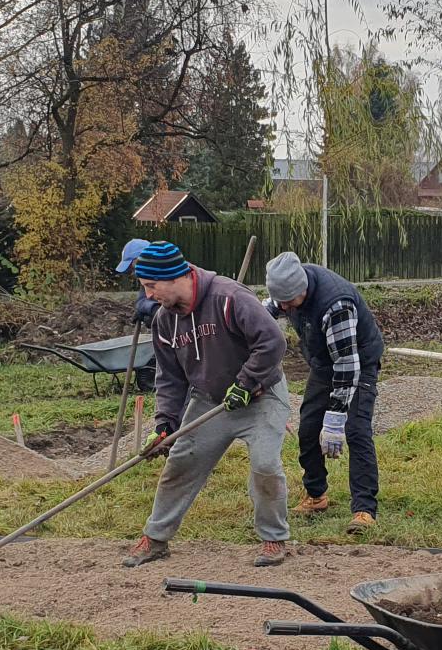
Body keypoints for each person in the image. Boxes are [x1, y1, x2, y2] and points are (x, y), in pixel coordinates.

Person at [120, 240, 293, 569]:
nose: (149, 296)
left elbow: (273, 342)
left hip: (261, 396)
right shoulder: (164, 321)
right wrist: (165, 425)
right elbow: (170, 378)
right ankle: (156, 538)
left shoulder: (229, 298)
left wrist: (246, 382)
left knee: (265, 465)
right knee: (180, 465)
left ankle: (273, 538)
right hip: (209, 400)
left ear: (172, 277)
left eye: (151, 286)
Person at [262, 251, 384, 532]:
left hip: (358, 362)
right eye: (281, 303)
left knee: (356, 430)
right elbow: (266, 310)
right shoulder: (287, 287)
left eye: (289, 302)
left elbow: (346, 364)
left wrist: (336, 415)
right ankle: (316, 495)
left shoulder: (336, 304)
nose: (285, 308)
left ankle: (364, 510)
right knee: (308, 429)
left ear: (302, 289)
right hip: (323, 362)